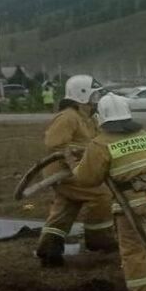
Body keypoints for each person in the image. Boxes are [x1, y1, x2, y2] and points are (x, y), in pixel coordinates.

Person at [69, 92, 146, 291]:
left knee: (133, 249)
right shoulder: (145, 135)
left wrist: (75, 163)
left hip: (132, 203)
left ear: (101, 118)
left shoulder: (100, 144)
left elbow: (86, 179)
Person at [34, 75, 117, 267]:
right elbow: (54, 145)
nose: (96, 99)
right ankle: (98, 238)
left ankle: (49, 249)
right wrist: (77, 154)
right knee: (101, 195)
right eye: (93, 95)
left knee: (67, 206)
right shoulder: (68, 117)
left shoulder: (87, 118)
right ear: (81, 95)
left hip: (76, 170)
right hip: (65, 172)